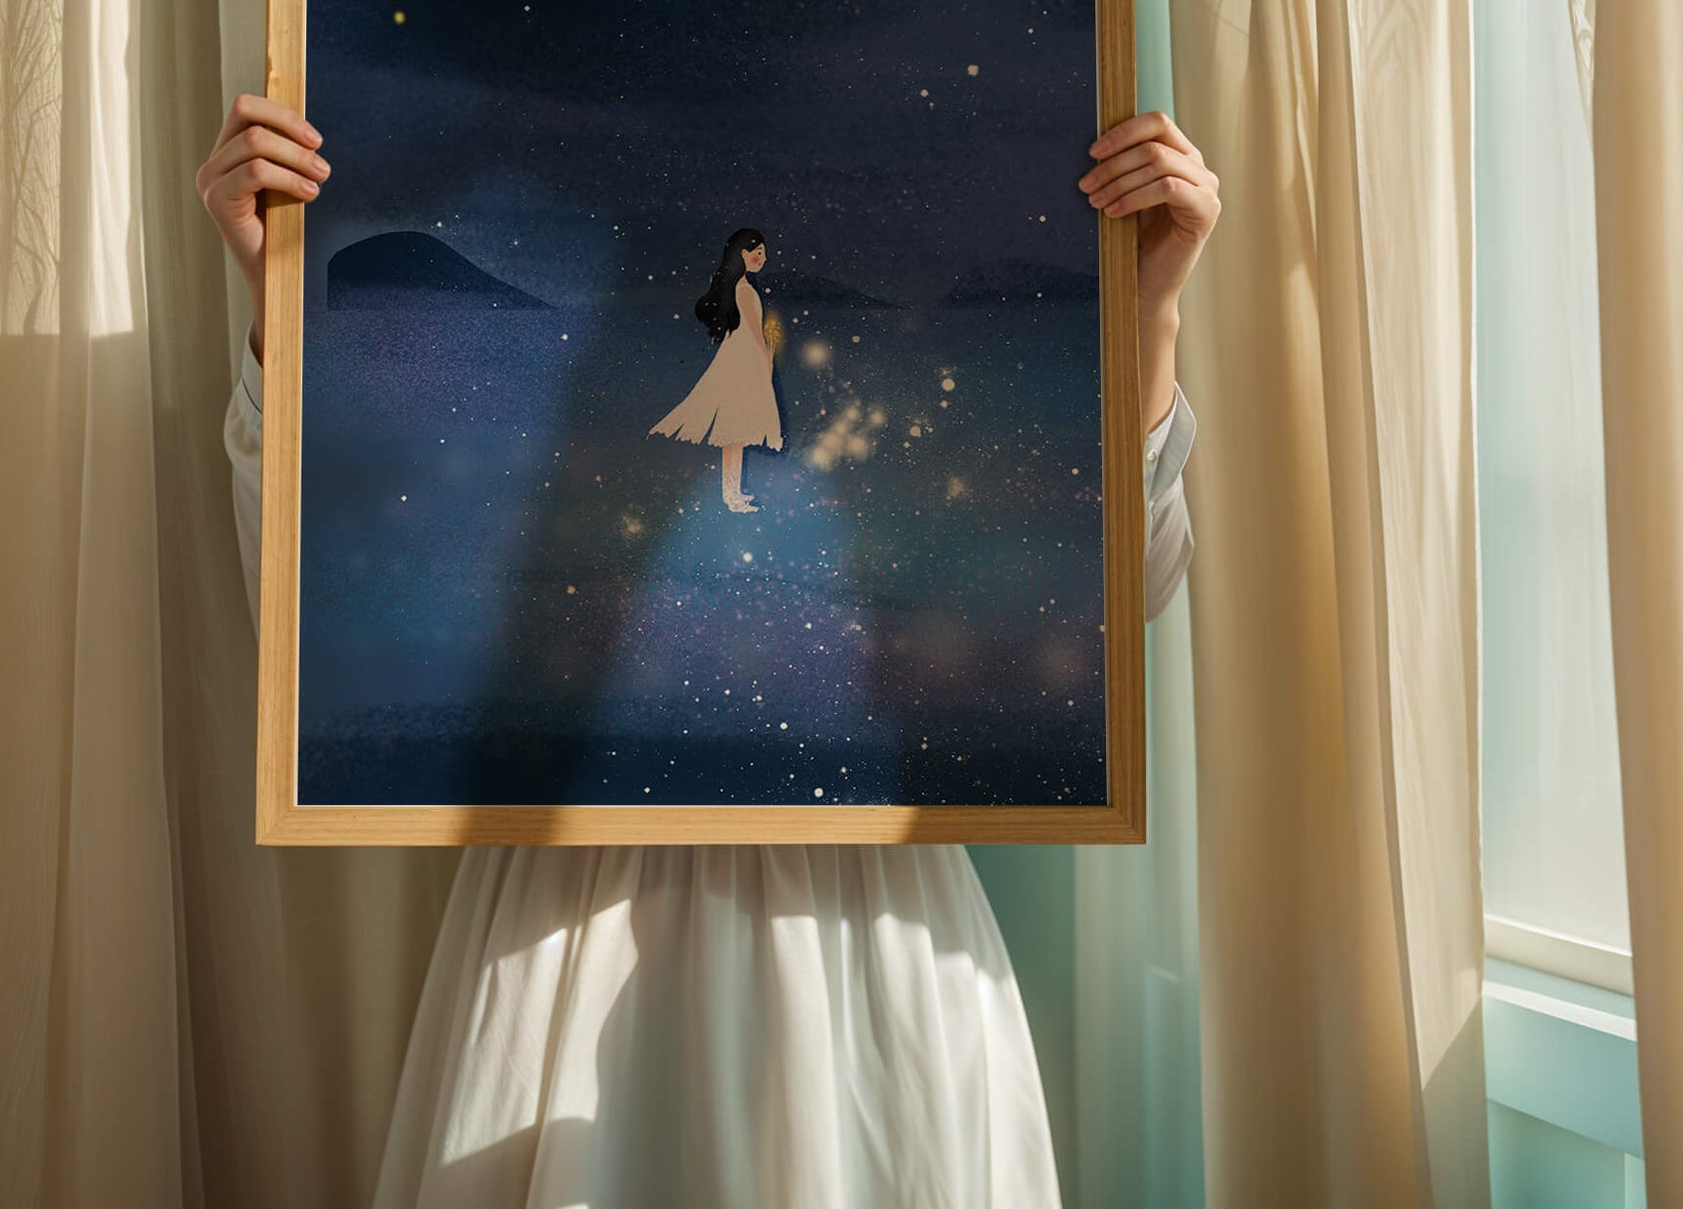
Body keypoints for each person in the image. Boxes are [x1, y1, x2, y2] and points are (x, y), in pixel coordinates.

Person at [199, 97, 1217, 1207]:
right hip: (573, 916)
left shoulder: (889, 435)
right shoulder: (555, 446)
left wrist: (1145, 311)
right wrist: (284, 303)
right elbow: (321, 619)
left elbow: (1123, 596)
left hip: (861, 920)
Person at [649, 226, 783, 511]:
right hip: (745, 362)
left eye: (764, 252)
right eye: (758, 252)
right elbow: (755, 334)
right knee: (735, 433)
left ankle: (733, 491)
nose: (763, 257)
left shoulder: (738, 287)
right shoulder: (744, 291)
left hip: (739, 359)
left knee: (735, 434)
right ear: (743, 254)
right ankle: (731, 495)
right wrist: (767, 358)